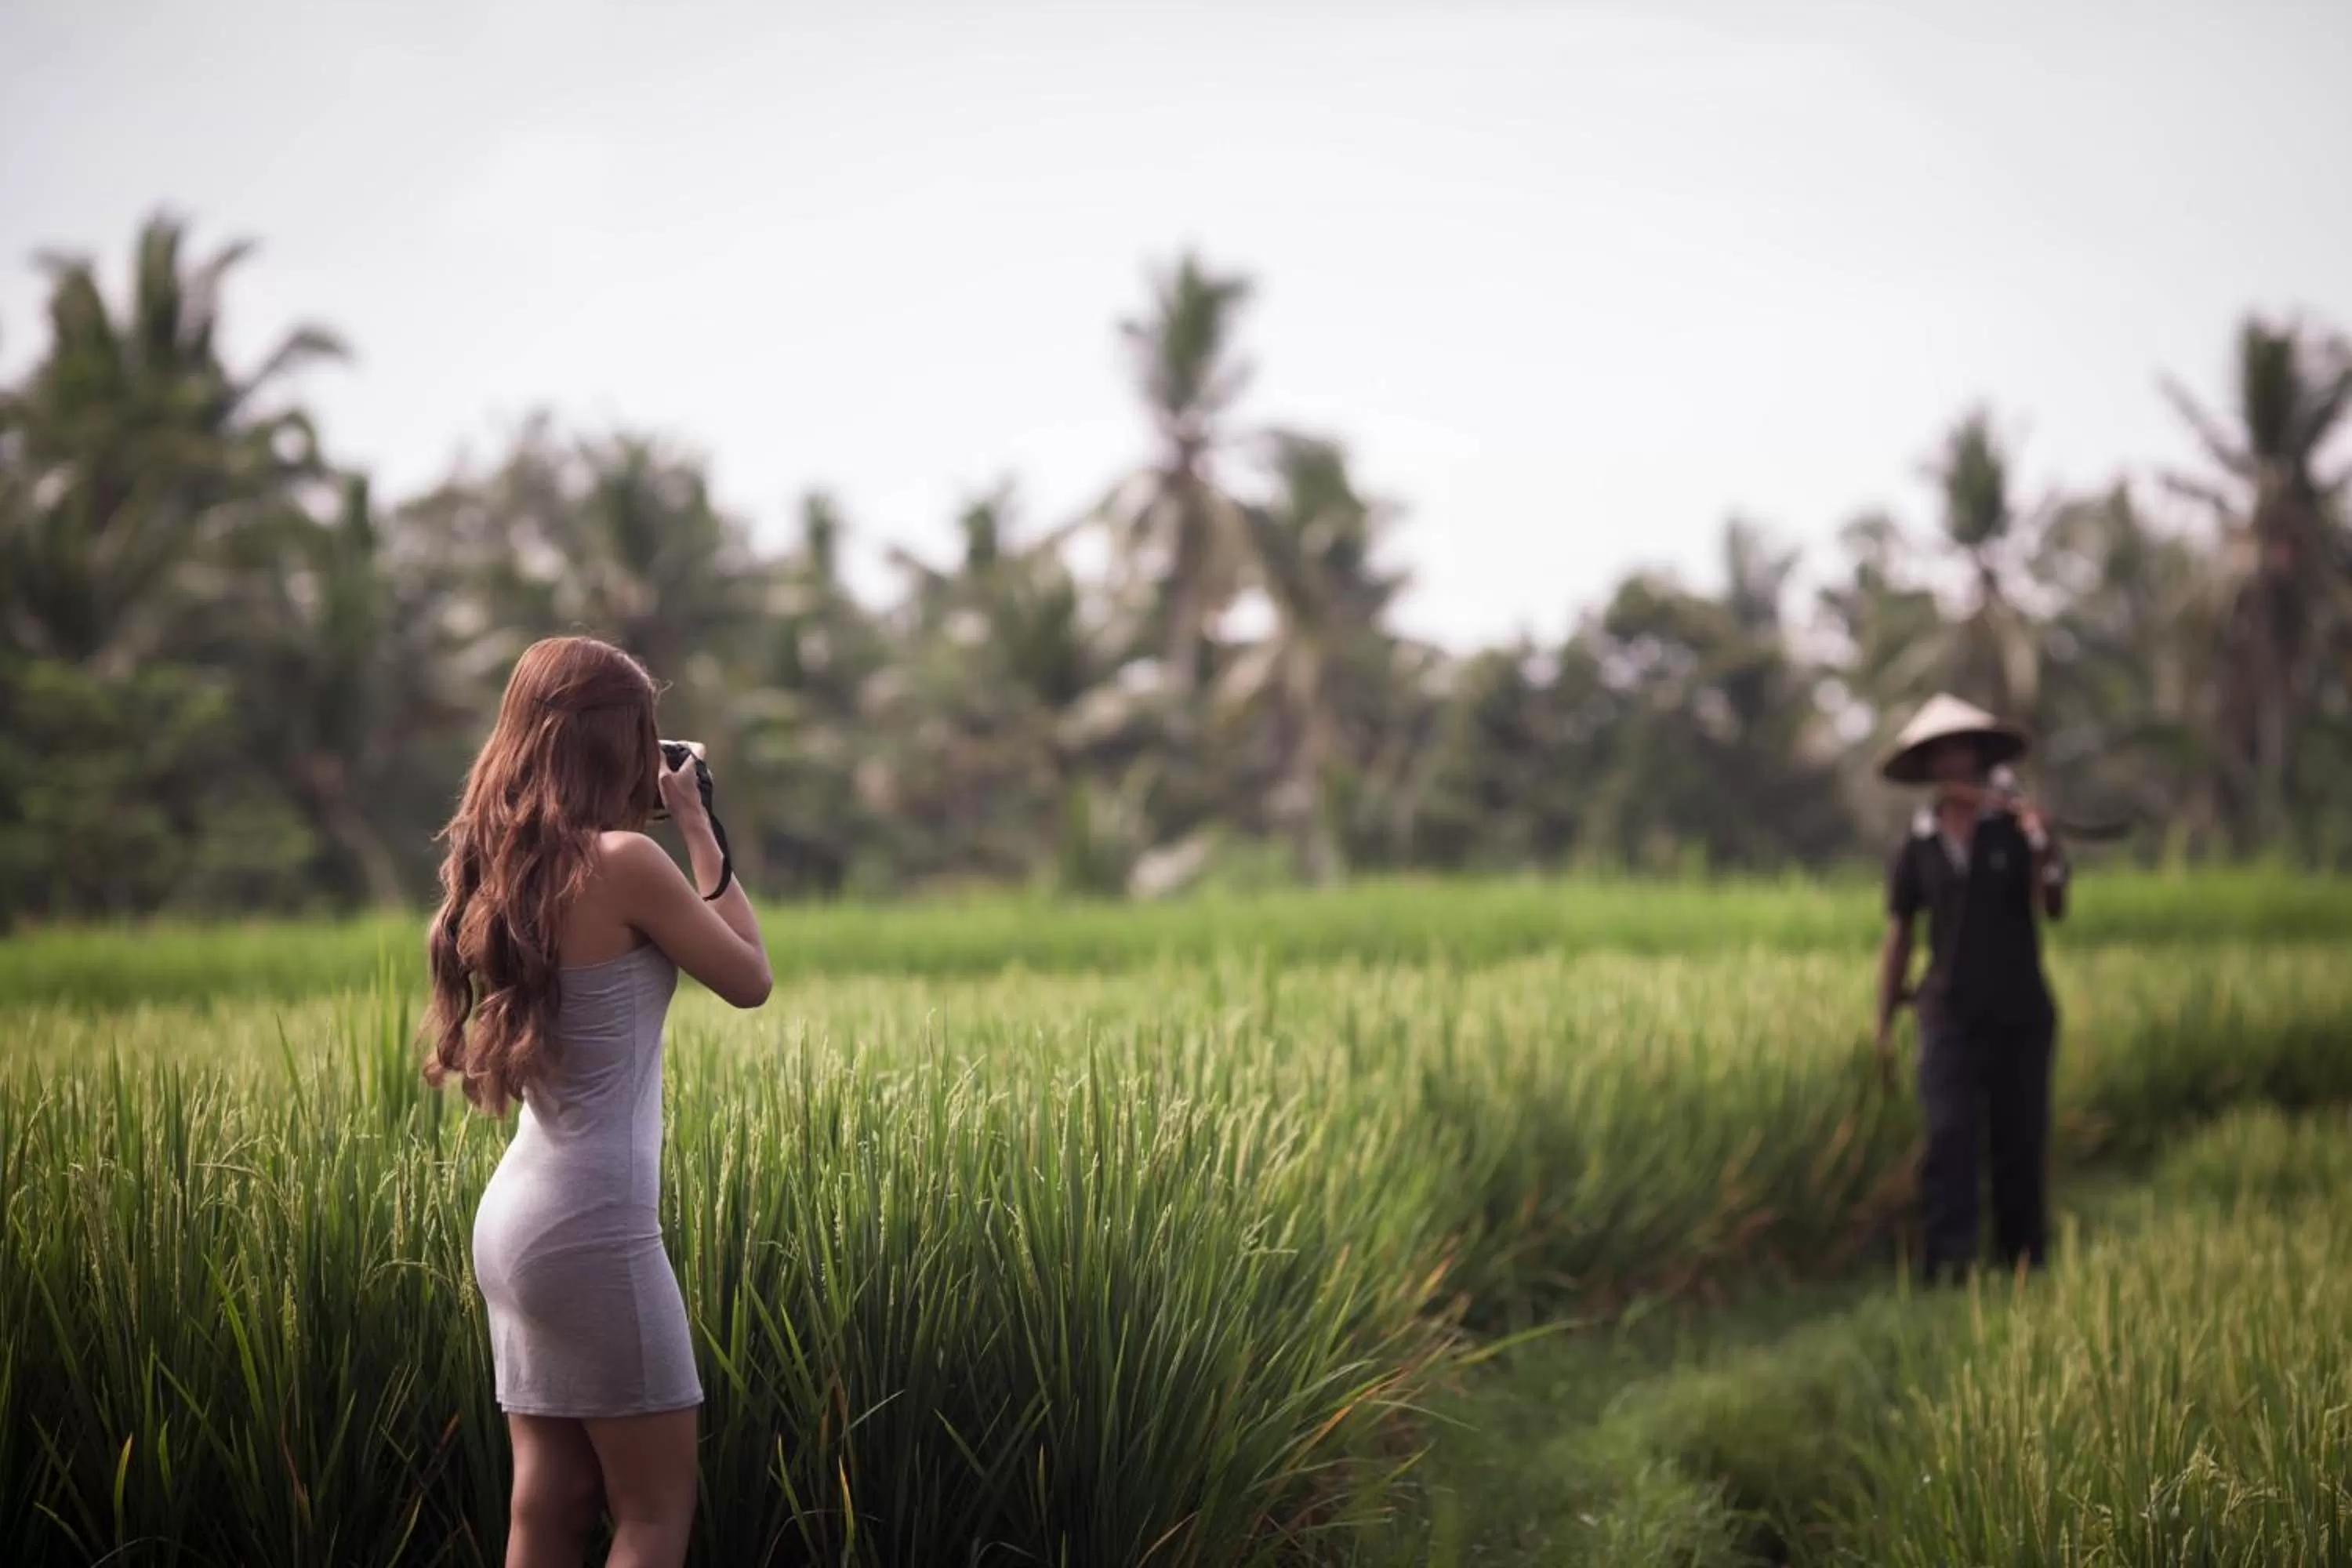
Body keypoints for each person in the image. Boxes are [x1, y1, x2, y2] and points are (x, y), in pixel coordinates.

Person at [424, 635, 773, 1568]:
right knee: (654, 1513)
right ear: (619, 743)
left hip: (516, 1222)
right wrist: (698, 823)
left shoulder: (500, 869)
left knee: (549, 1504)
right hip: (594, 1224)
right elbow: (749, 978)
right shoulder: (626, 862)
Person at [1872, 693, 2071, 1286]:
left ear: (1979, 756)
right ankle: (1948, 1263)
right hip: (1946, 1011)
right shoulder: (1919, 842)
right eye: (1941, 753)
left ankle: (2023, 1261)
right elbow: (1900, 933)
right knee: (1948, 1134)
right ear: (1931, 766)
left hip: (2019, 1010)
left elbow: (2055, 903)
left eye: (1962, 749)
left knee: (2019, 1138)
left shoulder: (2013, 829)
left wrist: (2041, 841)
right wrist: (1883, 1020)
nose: (1954, 762)